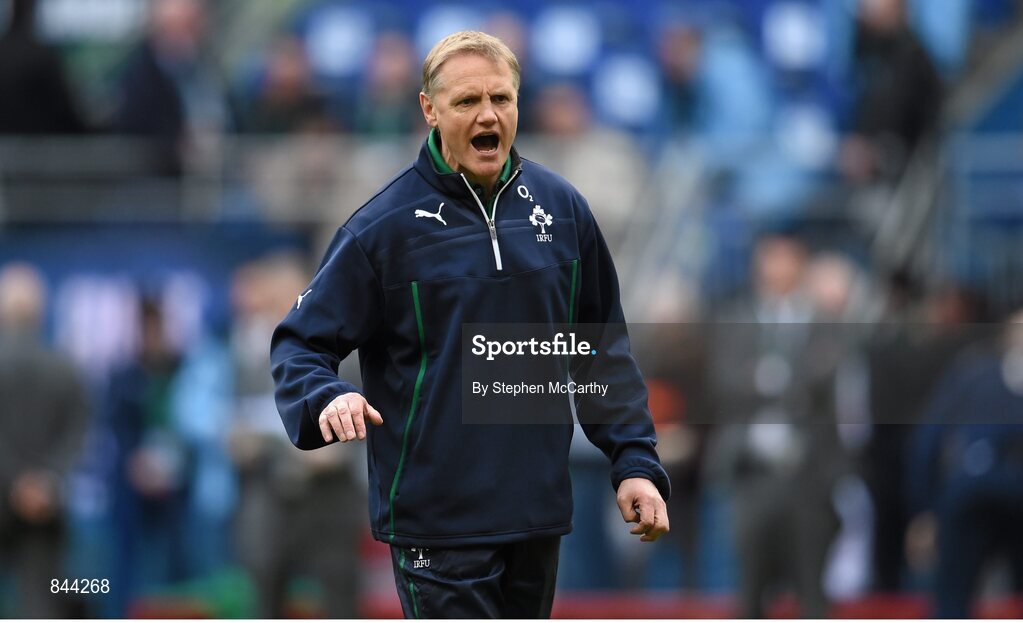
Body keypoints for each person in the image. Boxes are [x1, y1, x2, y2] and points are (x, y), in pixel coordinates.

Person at [271, 31, 670, 618]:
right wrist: (325, 395)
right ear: (429, 110)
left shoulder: (562, 211)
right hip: (436, 526)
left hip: (535, 517)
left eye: (502, 99)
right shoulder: (381, 232)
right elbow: (298, 344)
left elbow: (600, 352)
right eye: (466, 102)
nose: (488, 115)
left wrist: (633, 461)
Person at [0, 263, 90, 618]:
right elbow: (78, 432)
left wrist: (16, 480)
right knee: (43, 602)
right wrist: (45, 481)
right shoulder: (65, 367)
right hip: (46, 505)